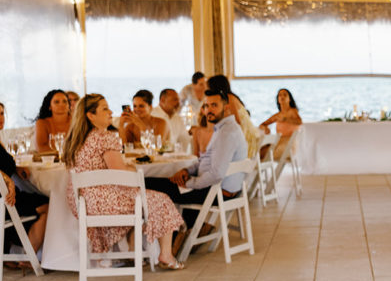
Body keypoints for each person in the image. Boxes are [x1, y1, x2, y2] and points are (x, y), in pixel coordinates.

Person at [62, 94, 184, 270]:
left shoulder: (76, 139)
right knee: (161, 199)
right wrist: (134, 170)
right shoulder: (105, 137)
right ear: (91, 115)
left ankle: (135, 253)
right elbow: (119, 173)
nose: (111, 111)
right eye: (105, 108)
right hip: (103, 202)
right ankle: (166, 254)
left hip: (81, 202)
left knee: (144, 200)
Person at [145, 90, 248, 256]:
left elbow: (216, 174)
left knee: (149, 184)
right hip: (219, 189)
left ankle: (165, 243)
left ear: (226, 107)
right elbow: (205, 160)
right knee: (164, 183)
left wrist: (189, 183)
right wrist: (187, 170)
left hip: (217, 192)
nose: (209, 110)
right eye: (206, 106)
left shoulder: (226, 133)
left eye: (214, 105)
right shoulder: (223, 128)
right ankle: (193, 227)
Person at [1, 139, 49, 258]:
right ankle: (29, 257)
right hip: (6, 201)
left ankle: (10, 254)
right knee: (47, 205)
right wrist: (7, 180)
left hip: (6, 199)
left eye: (3, 118)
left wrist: (16, 169)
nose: (1, 119)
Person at [206, 75, 261, 158]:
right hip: (246, 133)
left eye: (209, 87)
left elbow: (237, 122)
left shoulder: (229, 98)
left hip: (246, 137)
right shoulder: (229, 97)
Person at [259, 88, 302, 160]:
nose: (282, 97)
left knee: (265, 155)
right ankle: (258, 169)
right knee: (259, 151)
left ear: (289, 99)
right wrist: (265, 128)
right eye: (280, 95)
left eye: (285, 95)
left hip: (289, 144)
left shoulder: (292, 111)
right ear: (278, 100)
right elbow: (263, 124)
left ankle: (259, 168)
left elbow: (299, 122)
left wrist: (285, 119)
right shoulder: (277, 115)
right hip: (278, 141)